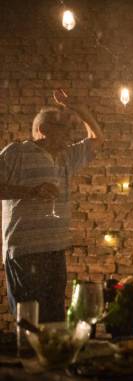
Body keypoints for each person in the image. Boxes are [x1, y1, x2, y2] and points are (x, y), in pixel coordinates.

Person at [1, 89, 104, 322]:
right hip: (25, 252)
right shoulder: (16, 153)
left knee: (54, 319)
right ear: (44, 130)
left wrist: (78, 107)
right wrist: (31, 191)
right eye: (63, 128)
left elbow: (97, 138)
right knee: (29, 321)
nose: (70, 133)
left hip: (55, 249)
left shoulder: (66, 157)